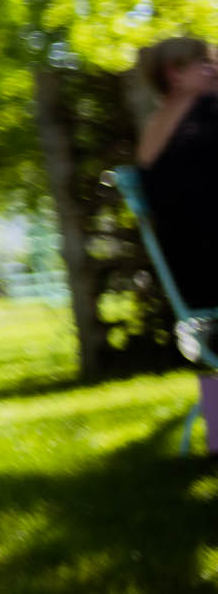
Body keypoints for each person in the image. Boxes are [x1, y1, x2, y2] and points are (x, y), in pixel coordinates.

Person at [135, 34, 218, 451]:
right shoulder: (164, 123)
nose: (214, 67)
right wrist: (185, 101)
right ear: (175, 73)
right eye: (204, 63)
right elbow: (148, 165)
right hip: (199, 259)